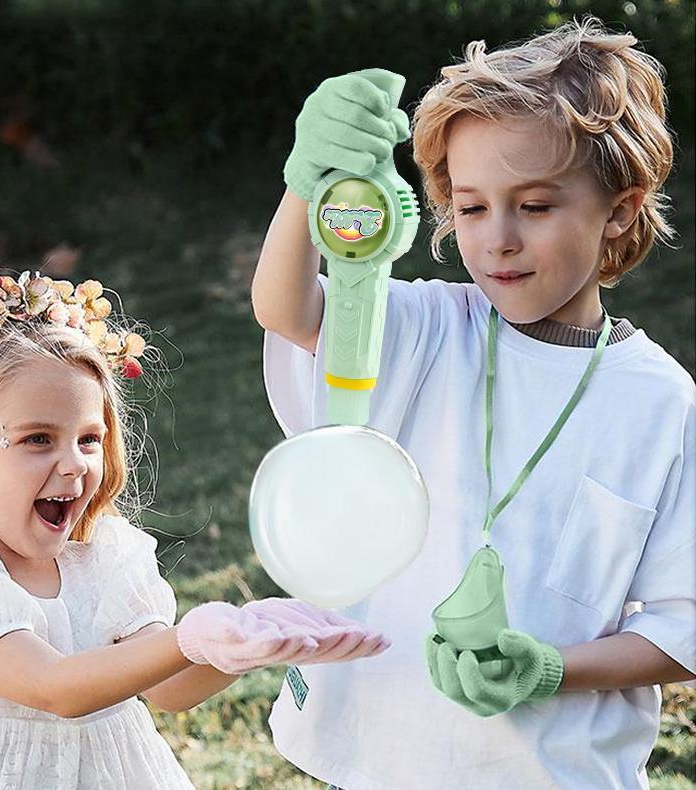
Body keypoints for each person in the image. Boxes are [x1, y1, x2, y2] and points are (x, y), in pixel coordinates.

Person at [251, 15, 696, 790]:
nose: (498, 240)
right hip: (376, 751)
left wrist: (551, 670)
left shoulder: (660, 404)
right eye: (472, 206)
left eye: (535, 205)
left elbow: (683, 624)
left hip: (550, 773)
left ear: (620, 210)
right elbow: (290, 310)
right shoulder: (430, 327)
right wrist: (306, 181)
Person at [0, 270, 390, 789]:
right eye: (38, 439)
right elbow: (55, 688)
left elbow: (171, 687)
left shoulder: (101, 558)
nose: (73, 465)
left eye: (89, 439)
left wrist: (240, 641)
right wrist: (191, 636)